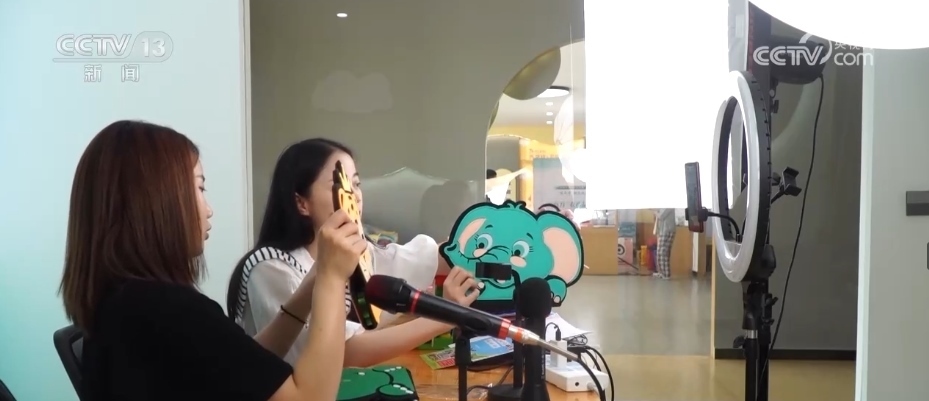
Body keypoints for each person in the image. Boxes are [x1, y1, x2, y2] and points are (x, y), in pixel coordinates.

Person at [60, 121, 362, 401]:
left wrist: (309, 290)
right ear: (157, 201)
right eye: (199, 188)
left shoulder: (125, 302)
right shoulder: (170, 311)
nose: (209, 209)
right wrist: (332, 279)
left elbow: (242, 365)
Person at [227, 138, 481, 367]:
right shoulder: (271, 268)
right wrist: (447, 316)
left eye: (356, 184)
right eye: (340, 186)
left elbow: (427, 258)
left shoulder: (359, 253)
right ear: (301, 203)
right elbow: (345, 352)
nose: (355, 197)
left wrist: (481, 244)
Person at [653, 208, 677, 279]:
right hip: (663, 230)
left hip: (668, 230)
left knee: (663, 252)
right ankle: (661, 272)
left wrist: (654, 211)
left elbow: (661, 216)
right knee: (659, 252)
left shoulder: (669, 205)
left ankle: (666, 274)